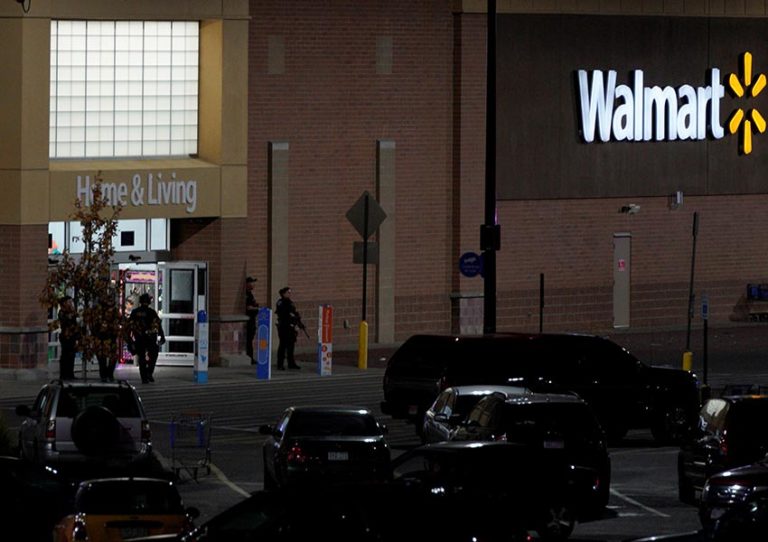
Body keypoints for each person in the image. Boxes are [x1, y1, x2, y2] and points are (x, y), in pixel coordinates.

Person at [127, 293, 166, 383]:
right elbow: (158, 325)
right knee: (153, 355)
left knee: (141, 357)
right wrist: (162, 336)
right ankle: (149, 373)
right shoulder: (151, 312)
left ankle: (144, 377)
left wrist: (129, 339)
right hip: (150, 338)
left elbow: (129, 326)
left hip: (139, 338)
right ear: (148, 302)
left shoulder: (135, 312)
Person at [275, 286, 303, 370]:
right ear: (283, 294)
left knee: (291, 346)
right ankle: (280, 364)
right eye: (288, 292)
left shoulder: (290, 302)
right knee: (283, 345)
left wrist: (298, 322)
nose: (289, 294)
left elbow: (294, 313)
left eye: (290, 293)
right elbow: (284, 314)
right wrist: (291, 316)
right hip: (284, 327)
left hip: (291, 327)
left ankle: (291, 363)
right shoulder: (280, 302)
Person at [57, 295, 79, 380]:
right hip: (65, 336)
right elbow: (65, 321)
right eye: (69, 302)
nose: (71, 303)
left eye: (71, 302)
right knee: (65, 355)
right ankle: (64, 374)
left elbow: (74, 322)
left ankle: (70, 373)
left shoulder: (72, 311)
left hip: (72, 336)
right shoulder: (62, 312)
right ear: (64, 303)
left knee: (71, 355)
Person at [245, 276, 259, 365]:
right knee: (248, 340)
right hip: (248, 320)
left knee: (250, 339)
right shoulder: (246, 294)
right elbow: (248, 307)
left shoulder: (250, 294)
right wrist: (256, 308)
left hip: (252, 320)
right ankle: (249, 357)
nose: (253, 284)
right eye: (252, 282)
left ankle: (250, 357)